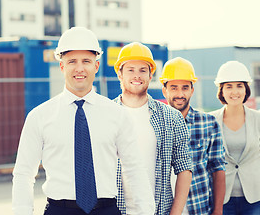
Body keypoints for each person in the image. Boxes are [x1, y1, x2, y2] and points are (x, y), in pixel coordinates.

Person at [12, 27, 154, 215]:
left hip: (106, 210)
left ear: (96, 66)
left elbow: (135, 170)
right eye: (72, 61)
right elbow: (23, 174)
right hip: (59, 210)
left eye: (86, 61)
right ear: (62, 66)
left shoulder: (117, 115)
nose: (79, 68)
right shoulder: (39, 117)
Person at [113, 42, 193, 215]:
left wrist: (175, 213)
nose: (137, 75)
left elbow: (184, 169)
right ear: (119, 73)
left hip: (158, 211)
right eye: (130, 70)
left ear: (151, 75)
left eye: (143, 70)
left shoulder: (171, 117)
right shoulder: (105, 115)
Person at [209, 61, 260, 215]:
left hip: (256, 201)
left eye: (239, 85)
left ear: (246, 89)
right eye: (229, 86)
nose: (235, 91)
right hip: (221, 201)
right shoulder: (210, 120)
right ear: (221, 90)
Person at [160, 57, 227, 215]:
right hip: (164, 209)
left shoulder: (209, 123)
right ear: (165, 90)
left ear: (192, 90)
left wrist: (217, 211)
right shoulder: (154, 123)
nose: (180, 94)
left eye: (185, 88)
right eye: (174, 88)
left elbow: (218, 169)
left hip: (198, 207)